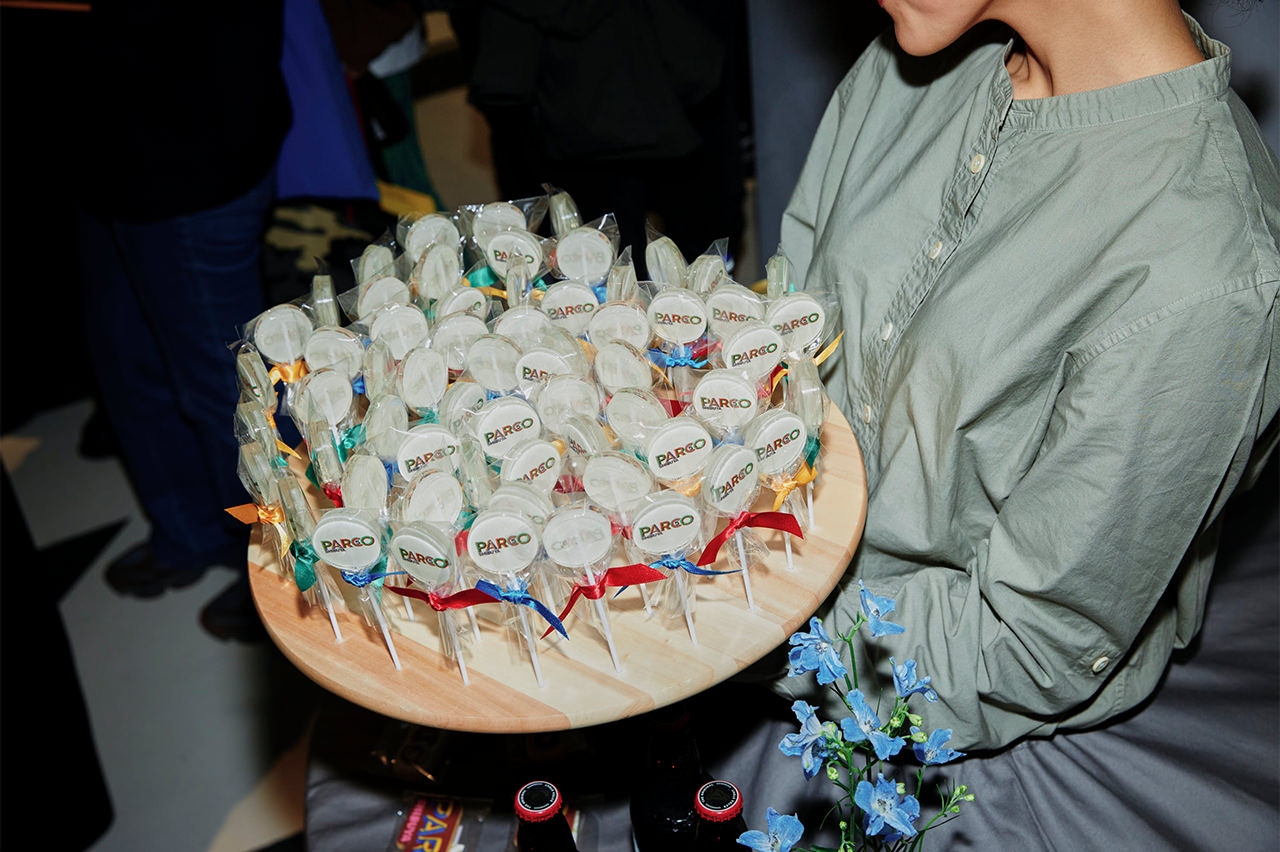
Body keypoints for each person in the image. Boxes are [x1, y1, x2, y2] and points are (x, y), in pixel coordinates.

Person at [760, 0, 1279, 847]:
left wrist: (741, 619)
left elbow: (1025, 645)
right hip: (757, 599)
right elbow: (786, 336)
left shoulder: (1207, 268)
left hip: (957, 750)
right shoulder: (906, 65)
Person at [74, 3, 293, 642]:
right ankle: (192, 530)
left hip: (190, 145)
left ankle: (282, 565)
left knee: (225, 391)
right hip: (104, 146)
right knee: (128, 363)